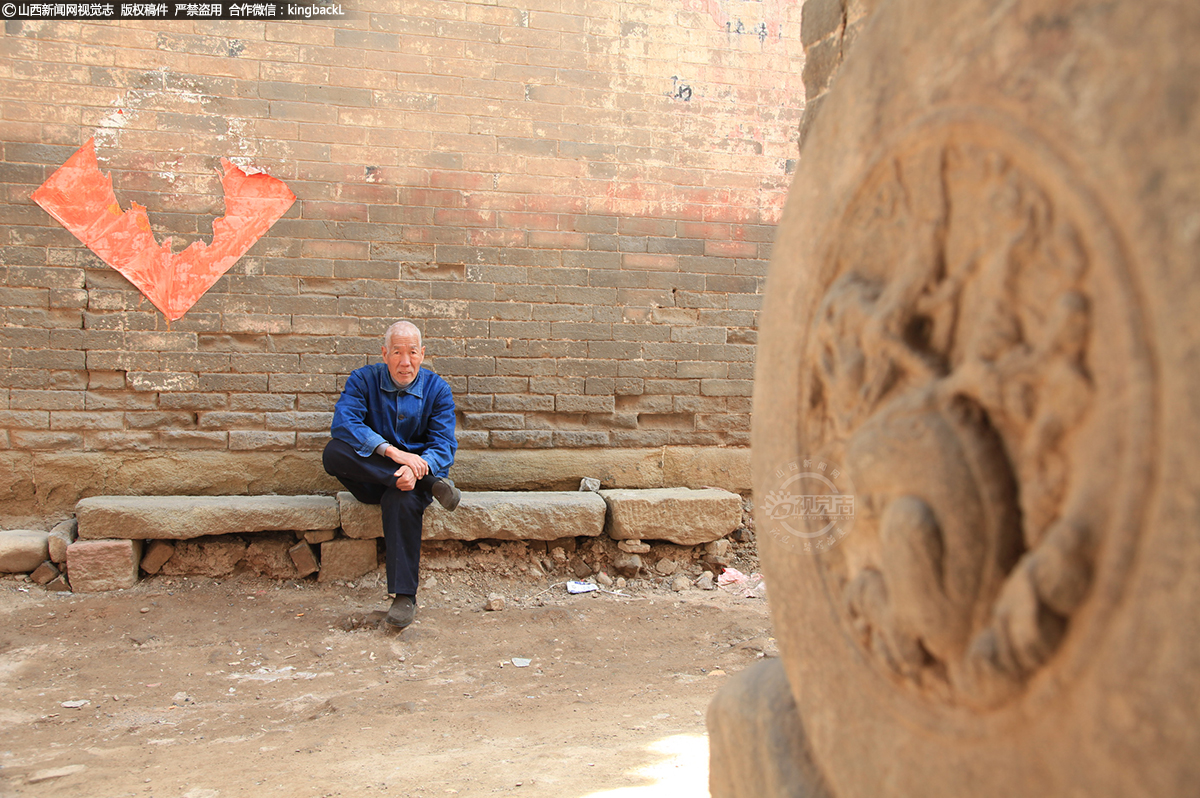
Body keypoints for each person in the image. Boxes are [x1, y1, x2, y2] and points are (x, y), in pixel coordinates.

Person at [322, 320, 460, 630]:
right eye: (397, 352)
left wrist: (418, 466)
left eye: (412, 352)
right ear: (385, 354)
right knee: (333, 452)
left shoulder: (437, 389)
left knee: (402, 499)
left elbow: (443, 445)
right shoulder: (362, 381)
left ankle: (404, 597)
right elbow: (344, 424)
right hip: (372, 477)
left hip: (410, 484)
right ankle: (432, 484)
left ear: (422, 354)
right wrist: (394, 455)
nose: (405, 361)